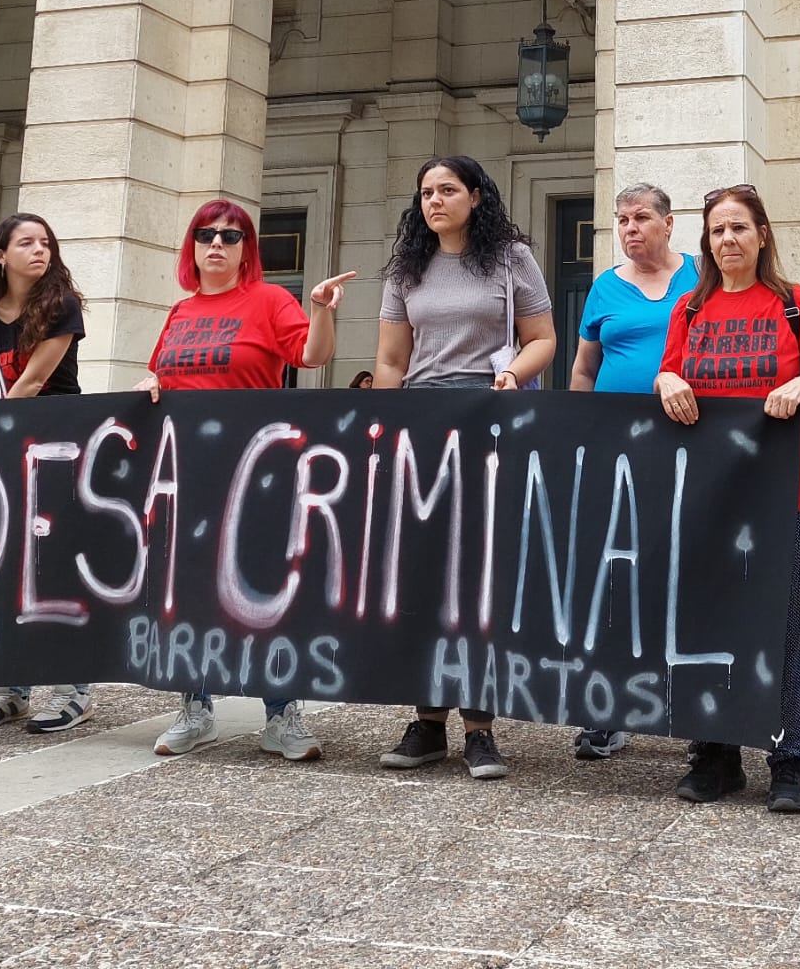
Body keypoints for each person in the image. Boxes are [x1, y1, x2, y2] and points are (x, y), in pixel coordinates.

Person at [136, 199, 351, 762]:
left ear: (246, 251)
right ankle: (195, 707)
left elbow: (312, 355)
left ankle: (281, 714)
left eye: (231, 237)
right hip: (189, 474)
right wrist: (146, 382)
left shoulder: (270, 300)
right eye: (206, 234)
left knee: (265, 590)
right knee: (189, 590)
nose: (217, 244)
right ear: (192, 246)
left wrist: (323, 310)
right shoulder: (179, 312)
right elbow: (163, 375)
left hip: (257, 471)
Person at [659, 183, 800, 815]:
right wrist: (665, 378)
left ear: (761, 235)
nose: (728, 239)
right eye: (717, 231)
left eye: (739, 227)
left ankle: (790, 760)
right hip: (708, 493)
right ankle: (715, 753)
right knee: (709, 622)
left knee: (784, 624)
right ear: (706, 243)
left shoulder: (795, 305)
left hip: (784, 493)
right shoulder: (689, 310)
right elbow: (671, 373)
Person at [375, 155, 555, 780]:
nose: (435, 201)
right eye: (426, 192)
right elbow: (392, 361)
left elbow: (543, 339)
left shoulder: (511, 257)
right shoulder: (406, 267)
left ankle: (480, 727)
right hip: (422, 423)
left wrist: (511, 375)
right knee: (423, 568)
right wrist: (385, 426)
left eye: (448, 190)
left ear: (476, 197)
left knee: (478, 570)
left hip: (490, 418)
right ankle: (427, 721)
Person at [0, 214, 97, 736]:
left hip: (58, 446)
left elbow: (34, 381)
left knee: (57, 567)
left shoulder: (61, 307)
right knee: (6, 567)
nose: (39, 250)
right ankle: (10, 686)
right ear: (1, 255)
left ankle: (71, 686)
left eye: (46, 243)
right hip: (2, 453)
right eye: (26, 242)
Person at [564, 182, 696, 761]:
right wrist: (579, 434)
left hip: (693, 445)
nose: (630, 228)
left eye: (641, 217)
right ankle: (608, 708)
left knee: (685, 573)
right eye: (621, 219)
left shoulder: (702, 278)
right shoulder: (603, 288)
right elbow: (583, 369)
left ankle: (696, 712)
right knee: (615, 576)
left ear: (669, 225)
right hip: (614, 450)